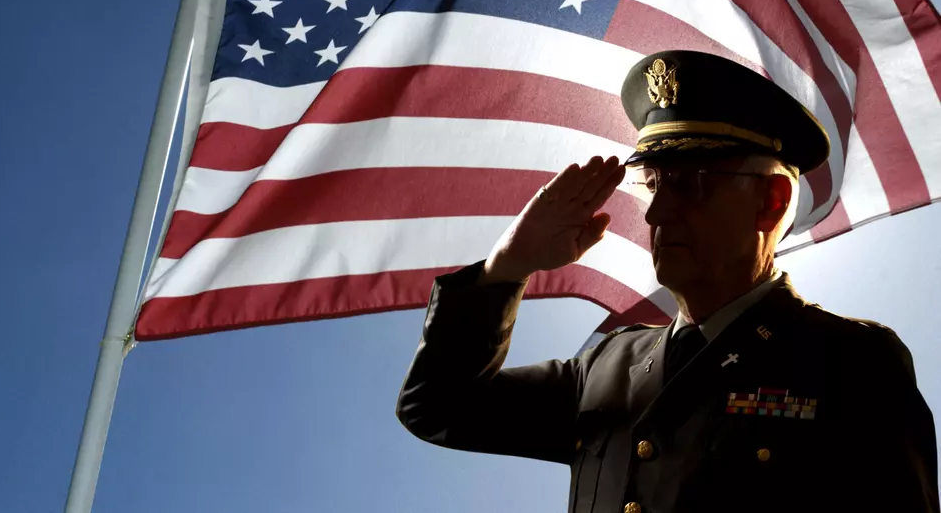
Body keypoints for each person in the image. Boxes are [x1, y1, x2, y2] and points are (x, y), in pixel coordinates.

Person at [395, 50, 939, 513]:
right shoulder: (607, 366)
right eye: (653, 184)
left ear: (770, 202)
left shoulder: (850, 361)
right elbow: (437, 408)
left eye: (692, 184)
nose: (656, 215)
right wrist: (507, 267)